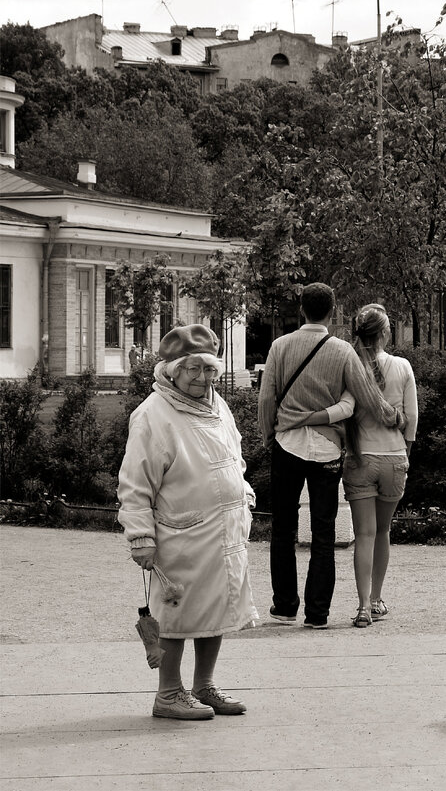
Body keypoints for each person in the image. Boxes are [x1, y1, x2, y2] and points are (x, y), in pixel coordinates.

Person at [118, 324, 258, 720]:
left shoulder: (218, 404)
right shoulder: (152, 415)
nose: (203, 378)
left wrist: (243, 492)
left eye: (210, 369)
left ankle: (203, 686)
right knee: (177, 616)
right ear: (173, 369)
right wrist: (141, 536)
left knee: (215, 611)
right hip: (181, 533)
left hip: (223, 531)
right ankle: (168, 693)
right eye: (193, 369)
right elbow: (135, 481)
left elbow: (235, 456)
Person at [258, 283, 404, 630]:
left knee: (283, 527)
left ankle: (285, 606)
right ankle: (318, 612)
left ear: (302, 309)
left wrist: (267, 434)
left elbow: (266, 398)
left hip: (287, 444)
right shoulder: (342, 351)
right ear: (332, 309)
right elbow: (366, 395)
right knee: (323, 531)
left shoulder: (280, 346)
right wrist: (392, 417)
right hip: (326, 449)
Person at [304, 304, 417, 627]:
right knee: (383, 531)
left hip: (360, 459)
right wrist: (404, 453)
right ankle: (378, 598)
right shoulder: (402, 366)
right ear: (385, 333)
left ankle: (363, 605)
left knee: (364, 535)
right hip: (393, 458)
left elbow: (343, 411)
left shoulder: (347, 365)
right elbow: (412, 419)